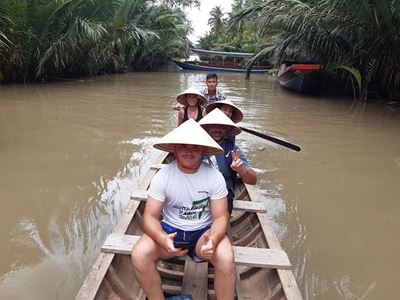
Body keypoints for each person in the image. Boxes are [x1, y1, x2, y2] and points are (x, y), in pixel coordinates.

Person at [131, 118, 236, 300]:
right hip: (171, 232)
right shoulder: (162, 176)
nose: (189, 152)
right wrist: (162, 238)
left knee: (226, 259)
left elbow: (220, 217)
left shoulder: (214, 176)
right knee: (139, 255)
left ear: (203, 150)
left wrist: (213, 239)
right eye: (183, 146)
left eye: (195, 147)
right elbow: (150, 217)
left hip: (203, 234)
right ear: (175, 148)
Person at [199, 109, 257, 214]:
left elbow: (252, 180)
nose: (217, 129)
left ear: (227, 129)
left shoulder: (232, 149)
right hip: (196, 192)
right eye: (213, 125)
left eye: (221, 126)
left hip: (223, 194)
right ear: (206, 127)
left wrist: (241, 170)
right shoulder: (195, 145)